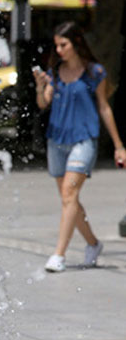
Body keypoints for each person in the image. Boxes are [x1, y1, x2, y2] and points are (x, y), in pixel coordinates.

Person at [33, 21, 126, 272]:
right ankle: (93, 244)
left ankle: (58, 255)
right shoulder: (55, 72)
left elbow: (104, 108)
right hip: (57, 141)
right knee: (69, 200)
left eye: (63, 44)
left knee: (69, 195)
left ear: (76, 43)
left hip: (84, 139)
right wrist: (41, 87)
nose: (59, 50)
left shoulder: (94, 72)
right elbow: (44, 103)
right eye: (57, 46)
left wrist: (119, 145)